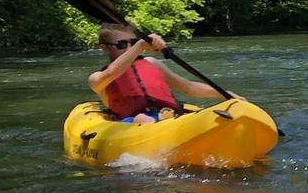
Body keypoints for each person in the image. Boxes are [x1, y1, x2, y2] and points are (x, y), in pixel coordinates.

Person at [87, 23, 229, 124]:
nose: (130, 48)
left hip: (167, 115)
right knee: (141, 118)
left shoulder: (152, 63)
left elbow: (189, 87)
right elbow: (112, 73)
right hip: (128, 123)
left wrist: (227, 95)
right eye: (122, 44)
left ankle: (165, 119)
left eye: (133, 42)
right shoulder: (97, 78)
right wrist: (140, 45)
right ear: (104, 48)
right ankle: (156, 122)